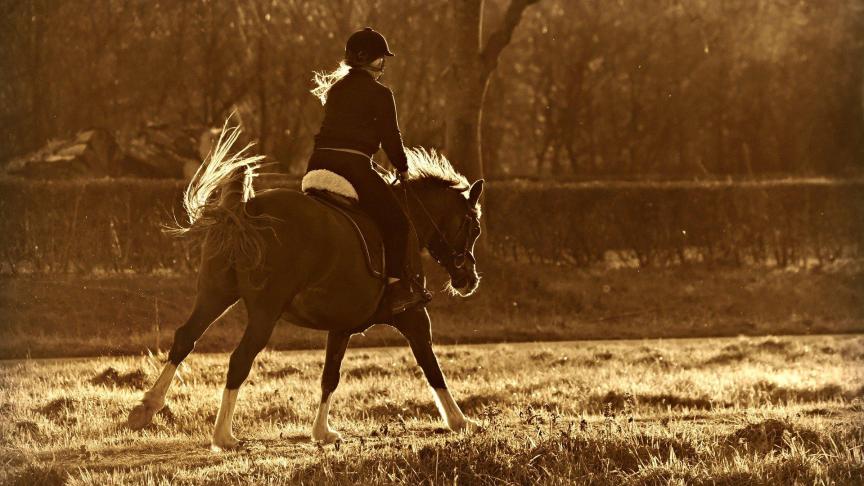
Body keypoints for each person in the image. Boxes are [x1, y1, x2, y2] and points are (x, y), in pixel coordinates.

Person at [307, 27, 431, 314]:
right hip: (353, 167)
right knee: (398, 224)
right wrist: (402, 167)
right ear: (368, 59)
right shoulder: (380, 93)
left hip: (317, 164)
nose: (383, 64)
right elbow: (391, 137)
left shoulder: (335, 90)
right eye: (380, 59)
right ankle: (395, 290)